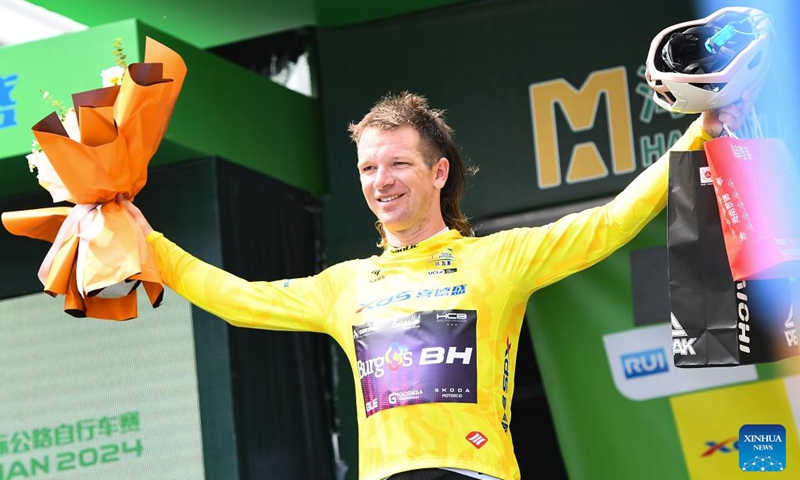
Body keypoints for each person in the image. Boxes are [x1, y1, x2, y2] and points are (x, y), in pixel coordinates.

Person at [119, 91, 751, 480]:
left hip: (475, 472)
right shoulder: (345, 285)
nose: (381, 179)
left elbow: (610, 223)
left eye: (397, 163)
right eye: (369, 167)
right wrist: (151, 246)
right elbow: (241, 302)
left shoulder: (498, 261)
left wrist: (705, 128)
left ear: (438, 172)